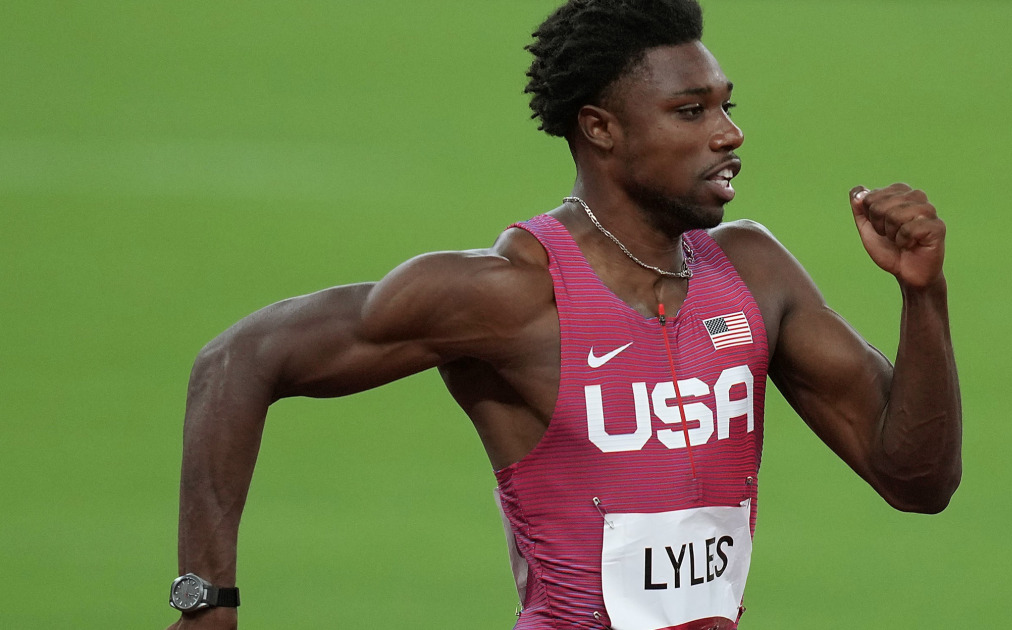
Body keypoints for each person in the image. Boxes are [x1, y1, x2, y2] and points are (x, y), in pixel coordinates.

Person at [166, 0, 962, 628]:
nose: (729, 132)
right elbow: (237, 361)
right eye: (691, 112)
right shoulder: (512, 297)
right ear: (601, 128)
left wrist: (921, 294)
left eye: (725, 105)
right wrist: (208, 599)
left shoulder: (753, 275)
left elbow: (917, 479)